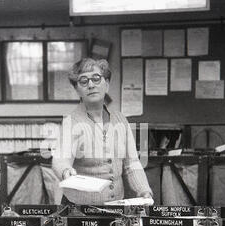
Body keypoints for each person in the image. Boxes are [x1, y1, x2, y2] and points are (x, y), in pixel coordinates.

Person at [52, 58, 153, 205]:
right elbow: (60, 158)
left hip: (116, 206)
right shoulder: (72, 122)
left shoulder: (120, 119)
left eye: (96, 79)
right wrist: (65, 171)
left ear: (107, 84)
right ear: (77, 89)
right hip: (80, 209)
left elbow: (132, 163)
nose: (91, 85)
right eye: (84, 81)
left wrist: (143, 190)